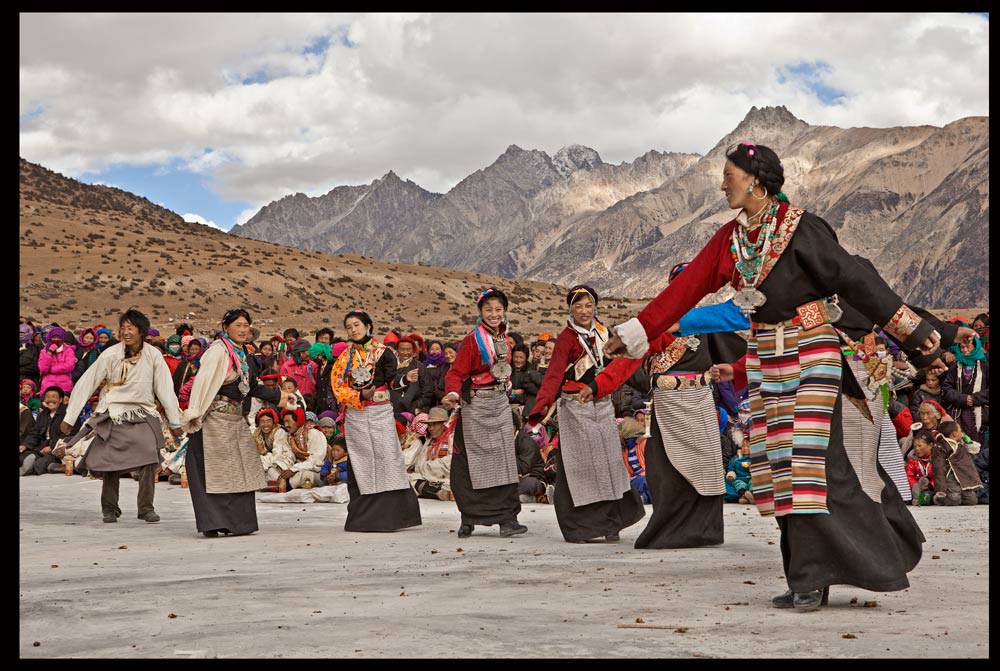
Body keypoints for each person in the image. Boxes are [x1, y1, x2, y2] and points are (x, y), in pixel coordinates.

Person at [602, 141, 966, 612]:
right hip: (767, 360)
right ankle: (804, 573)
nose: (722, 184)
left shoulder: (803, 228)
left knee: (808, 463)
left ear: (754, 179)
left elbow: (854, 280)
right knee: (779, 471)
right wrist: (635, 331)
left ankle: (819, 574)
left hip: (814, 351)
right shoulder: (729, 240)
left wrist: (916, 332)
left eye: (728, 175)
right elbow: (684, 291)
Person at [585, 266, 746, 549]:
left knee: (706, 466)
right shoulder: (657, 327)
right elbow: (629, 361)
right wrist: (599, 385)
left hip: (700, 402)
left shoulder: (708, 324)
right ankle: (671, 529)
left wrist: (737, 371)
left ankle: (706, 530)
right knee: (666, 468)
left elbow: (738, 353)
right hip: (669, 404)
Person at [528, 284, 644, 543]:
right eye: (578, 306)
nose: (583, 311)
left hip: (603, 405)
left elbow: (621, 365)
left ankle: (614, 523)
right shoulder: (567, 339)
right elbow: (555, 374)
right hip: (575, 407)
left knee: (610, 463)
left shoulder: (604, 333)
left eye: (588, 305)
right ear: (570, 309)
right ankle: (580, 527)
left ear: (595, 307)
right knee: (582, 466)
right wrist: (542, 405)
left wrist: (645, 384)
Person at [60, 309, 183, 523]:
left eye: (131, 328)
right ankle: (110, 509)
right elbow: (87, 383)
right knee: (110, 464)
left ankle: (146, 508)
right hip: (113, 413)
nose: (125, 332)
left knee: (148, 459)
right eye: (123, 328)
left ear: (142, 332)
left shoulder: (153, 355)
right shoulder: (110, 354)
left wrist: (174, 421)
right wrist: (70, 417)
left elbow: (165, 388)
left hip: (142, 413)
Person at [179, 308, 289, 537]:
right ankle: (214, 522)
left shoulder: (244, 355)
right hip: (214, 422)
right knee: (215, 472)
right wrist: (194, 413)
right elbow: (203, 383)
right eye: (238, 325)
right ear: (226, 327)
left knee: (239, 470)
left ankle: (237, 522)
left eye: (246, 325)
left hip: (235, 419)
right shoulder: (218, 352)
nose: (242, 330)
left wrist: (279, 397)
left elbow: (251, 388)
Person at [443, 289, 527, 539]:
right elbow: (456, 373)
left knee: (503, 462)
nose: (494, 314)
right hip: (477, 406)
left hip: (499, 404)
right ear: (480, 312)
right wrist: (453, 393)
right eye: (488, 309)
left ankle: (507, 520)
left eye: (498, 309)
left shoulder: (504, 338)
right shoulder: (472, 341)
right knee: (471, 463)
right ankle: (469, 518)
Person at [330, 310, 421, 532]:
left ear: (368, 326)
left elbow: (391, 380)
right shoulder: (345, 358)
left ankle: (393, 516)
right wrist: (360, 396)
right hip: (356, 416)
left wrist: (404, 379)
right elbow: (338, 387)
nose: (353, 329)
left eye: (357, 325)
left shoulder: (384, 353)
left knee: (388, 459)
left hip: (380, 413)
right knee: (362, 462)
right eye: (349, 327)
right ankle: (365, 517)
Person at [942, 335, 989, 445]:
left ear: (976, 346)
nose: (965, 350)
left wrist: (974, 398)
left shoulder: (985, 365)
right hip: (958, 413)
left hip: (980, 415)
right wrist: (963, 399)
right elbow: (946, 388)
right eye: (962, 347)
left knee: (979, 446)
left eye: (968, 347)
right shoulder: (955, 367)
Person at [403, 407, 454, 501]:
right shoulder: (429, 442)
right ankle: (437, 492)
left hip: (445, 480)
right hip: (428, 478)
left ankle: (434, 491)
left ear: (443, 424)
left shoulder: (452, 440)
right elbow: (419, 465)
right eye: (429, 425)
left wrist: (427, 467)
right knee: (407, 479)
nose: (431, 428)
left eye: (434, 425)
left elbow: (452, 463)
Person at [20, 386, 74, 476]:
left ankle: (29, 469)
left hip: (58, 448)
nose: (50, 400)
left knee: (43, 461)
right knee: (23, 455)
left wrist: (52, 446)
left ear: (61, 399)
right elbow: (35, 432)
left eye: (54, 397)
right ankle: (28, 463)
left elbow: (70, 433)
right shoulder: (43, 413)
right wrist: (25, 445)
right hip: (41, 446)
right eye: (47, 397)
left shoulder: (68, 413)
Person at [931, 421, 983, 505]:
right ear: (955, 433)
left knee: (972, 500)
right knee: (954, 500)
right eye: (960, 430)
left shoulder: (961, 445)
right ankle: (939, 499)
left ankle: (959, 496)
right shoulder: (940, 447)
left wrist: (969, 442)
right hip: (951, 476)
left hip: (964, 476)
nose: (962, 433)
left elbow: (974, 452)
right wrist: (941, 488)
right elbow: (938, 467)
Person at [253, 408, 292, 483]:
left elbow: (278, 454)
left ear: (273, 422)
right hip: (269, 460)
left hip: (283, 459)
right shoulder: (257, 433)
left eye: (268, 421)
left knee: (271, 472)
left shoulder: (279, 432)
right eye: (262, 421)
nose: (265, 424)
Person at [618, 418, 651, 504]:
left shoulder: (644, 443)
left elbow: (650, 466)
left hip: (645, 476)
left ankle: (644, 498)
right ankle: (643, 497)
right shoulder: (625, 450)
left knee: (644, 481)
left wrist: (638, 476)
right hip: (634, 479)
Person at [38, 327, 76, 395]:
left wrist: (51, 369)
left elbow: (69, 366)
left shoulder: (68, 351)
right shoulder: (44, 351)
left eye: (58, 337)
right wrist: (49, 352)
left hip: (65, 386)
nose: (56, 339)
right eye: (54, 337)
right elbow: (43, 369)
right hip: (48, 385)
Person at [509, 344, 542, 419]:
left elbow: (532, 393)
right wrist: (513, 392)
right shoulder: (507, 369)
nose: (518, 360)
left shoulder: (531, 371)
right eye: (516, 357)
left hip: (522, 406)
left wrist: (514, 395)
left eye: (521, 357)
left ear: (526, 358)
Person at [906, 431, 936, 506]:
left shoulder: (937, 459)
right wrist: (915, 486)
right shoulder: (913, 459)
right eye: (915, 446)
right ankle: (917, 498)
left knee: (929, 496)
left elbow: (939, 476)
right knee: (906, 496)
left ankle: (921, 499)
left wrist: (930, 486)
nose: (917, 449)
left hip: (931, 488)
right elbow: (909, 476)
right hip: (916, 487)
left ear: (930, 445)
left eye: (920, 446)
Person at [725, 436, 754, 505]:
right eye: (743, 446)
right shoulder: (736, 459)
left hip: (751, 477)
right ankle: (744, 496)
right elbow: (731, 469)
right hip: (740, 478)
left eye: (748, 446)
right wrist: (731, 475)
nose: (745, 448)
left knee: (753, 483)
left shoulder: (755, 458)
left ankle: (753, 496)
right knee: (738, 484)